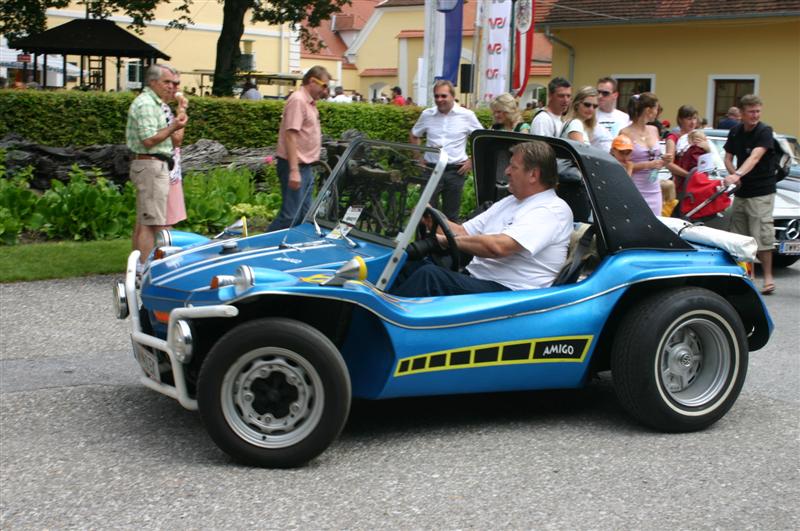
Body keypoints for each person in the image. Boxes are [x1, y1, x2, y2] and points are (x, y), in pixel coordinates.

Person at [391, 140, 573, 297]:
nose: (507, 171)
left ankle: (383, 327)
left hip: (512, 293)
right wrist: (431, 218)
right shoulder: (510, 201)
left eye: (513, 167)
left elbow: (498, 247)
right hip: (479, 280)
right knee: (405, 264)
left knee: (430, 277)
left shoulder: (552, 210)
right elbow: (462, 232)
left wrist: (446, 241)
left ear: (534, 174)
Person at [126, 64, 188, 275]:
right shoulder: (146, 105)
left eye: (175, 83)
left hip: (156, 165)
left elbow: (175, 140)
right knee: (152, 223)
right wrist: (173, 127)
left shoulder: (156, 104)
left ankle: (139, 267)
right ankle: (146, 270)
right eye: (167, 82)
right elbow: (149, 140)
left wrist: (178, 119)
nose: (171, 87)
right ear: (152, 82)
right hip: (150, 164)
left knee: (148, 219)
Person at [723, 94, 777, 295]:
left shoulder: (764, 131)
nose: (755, 115)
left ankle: (769, 278)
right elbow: (728, 157)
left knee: (762, 235)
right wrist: (733, 174)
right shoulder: (735, 131)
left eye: (758, 111)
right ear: (742, 114)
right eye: (751, 112)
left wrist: (737, 173)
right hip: (742, 191)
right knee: (740, 236)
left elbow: (755, 157)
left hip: (761, 191)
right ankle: (748, 276)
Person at [267, 65, 331, 231]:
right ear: (312, 81)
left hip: (305, 167)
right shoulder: (298, 100)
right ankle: (259, 247)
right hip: (294, 166)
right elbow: (290, 135)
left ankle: (290, 248)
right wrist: (294, 171)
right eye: (324, 86)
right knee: (290, 216)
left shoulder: (309, 103)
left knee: (303, 215)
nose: (326, 91)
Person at [410, 79, 483, 220]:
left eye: (444, 96)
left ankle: (446, 242)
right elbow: (414, 135)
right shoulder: (427, 115)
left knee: (451, 216)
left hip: (455, 172)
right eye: (436, 96)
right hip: (430, 170)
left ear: (452, 96)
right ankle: (424, 242)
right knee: (425, 215)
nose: (439, 99)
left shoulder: (467, 116)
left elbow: (481, 140)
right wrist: (418, 157)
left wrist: (471, 161)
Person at [620, 92, 673, 215]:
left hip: (654, 189)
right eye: (657, 108)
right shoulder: (625, 133)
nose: (657, 112)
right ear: (649, 110)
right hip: (635, 188)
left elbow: (654, 158)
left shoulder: (654, 130)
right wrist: (648, 165)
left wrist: (664, 160)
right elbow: (621, 165)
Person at [160, 67, 188, 227]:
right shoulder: (161, 108)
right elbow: (177, 139)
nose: (175, 88)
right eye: (169, 83)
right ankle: (162, 251)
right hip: (166, 171)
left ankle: (144, 252)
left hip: (169, 169)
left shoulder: (164, 107)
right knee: (165, 223)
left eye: (177, 84)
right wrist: (182, 110)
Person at [560, 86, 611, 151]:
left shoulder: (579, 124)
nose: (591, 109)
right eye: (587, 105)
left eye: (595, 106)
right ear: (577, 104)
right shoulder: (575, 123)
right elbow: (583, 153)